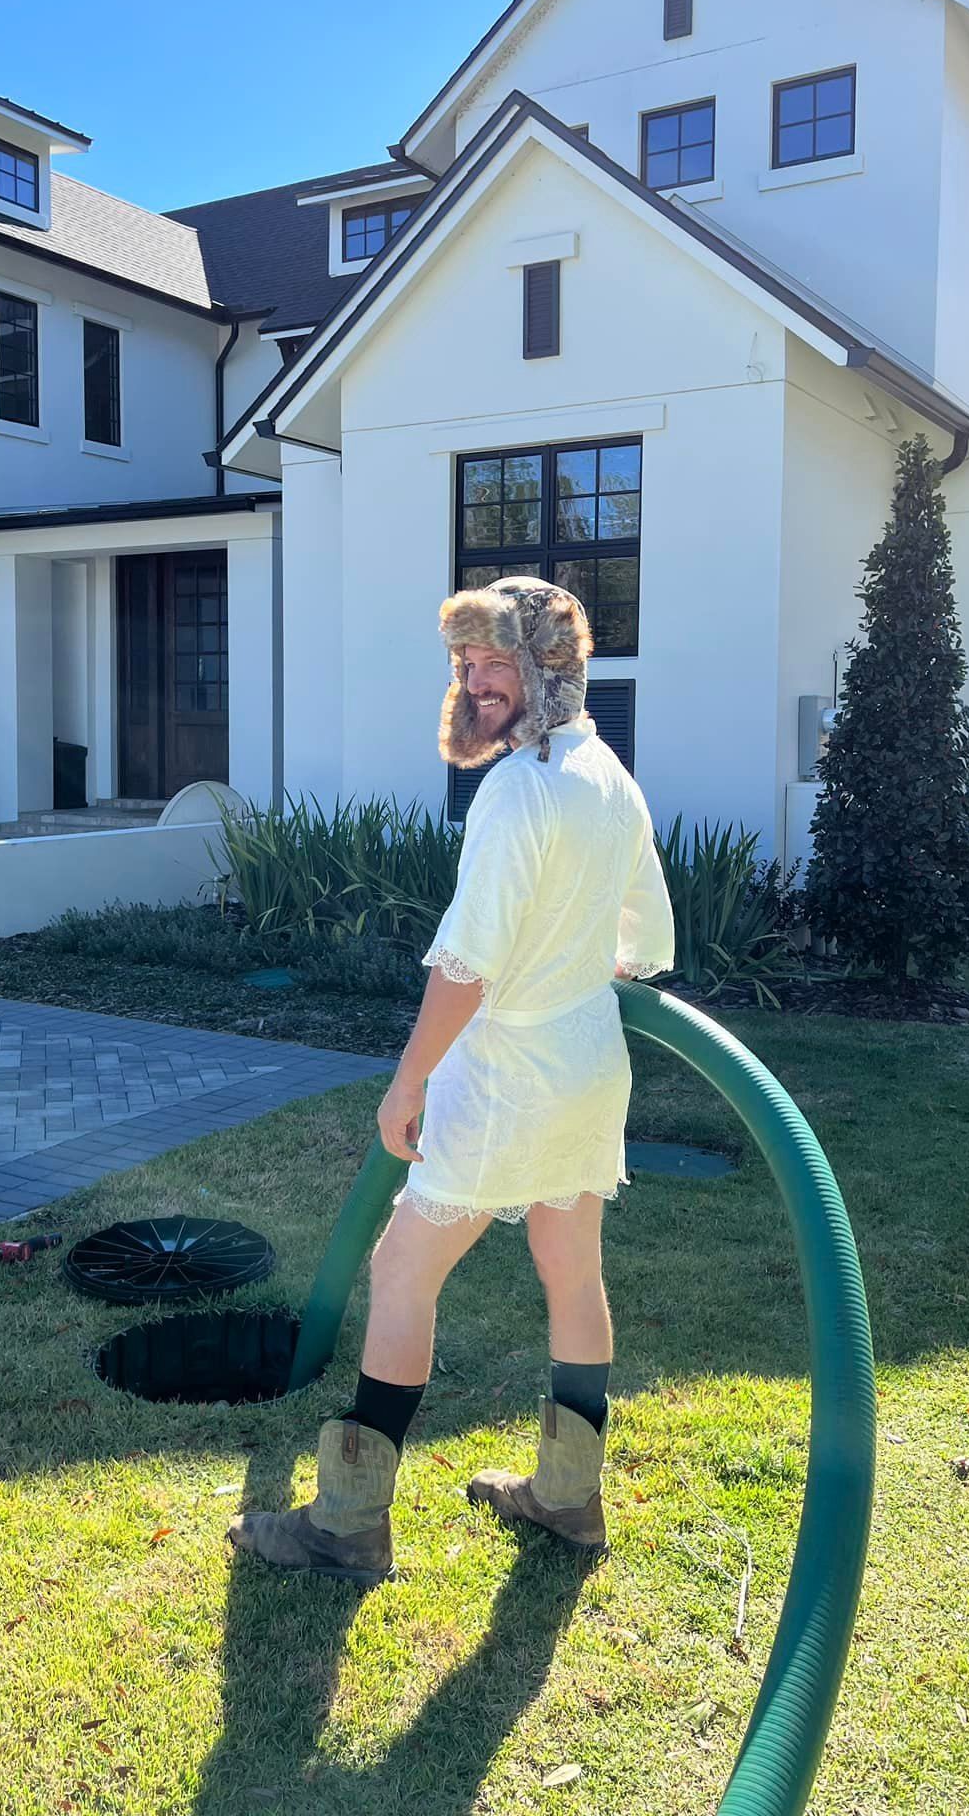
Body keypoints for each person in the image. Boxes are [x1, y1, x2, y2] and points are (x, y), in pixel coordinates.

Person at [229, 576, 674, 1585]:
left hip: (508, 1075)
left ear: (547, 668)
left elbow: (465, 962)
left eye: (493, 663)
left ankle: (347, 1522)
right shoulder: (609, 775)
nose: (474, 682)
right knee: (572, 1270)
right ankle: (568, 1495)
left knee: (400, 1269)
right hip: (589, 1066)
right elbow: (644, 934)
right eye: (464, 663)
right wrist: (575, 959)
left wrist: (407, 1081)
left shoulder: (520, 789)